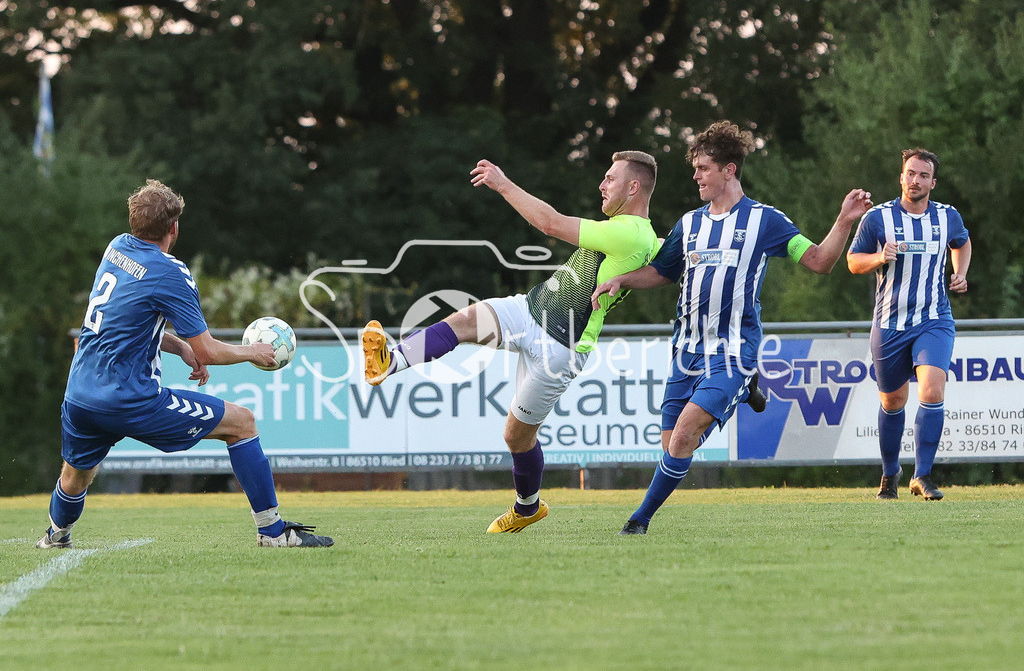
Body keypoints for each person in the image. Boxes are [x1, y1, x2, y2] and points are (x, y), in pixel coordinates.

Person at [591, 121, 874, 535]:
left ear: (729, 171)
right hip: (685, 351)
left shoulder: (766, 221)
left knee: (684, 435)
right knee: (673, 445)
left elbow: (818, 261)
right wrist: (622, 279)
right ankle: (740, 395)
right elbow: (661, 271)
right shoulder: (689, 224)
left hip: (732, 351)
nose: (695, 176)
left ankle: (638, 521)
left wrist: (844, 221)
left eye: (703, 168)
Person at [361, 152, 663, 533]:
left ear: (634, 187)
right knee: (465, 320)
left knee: (516, 435)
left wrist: (502, 183)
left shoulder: (630, 232)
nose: (602, 185)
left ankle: (527, 507)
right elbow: (665, 261)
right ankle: (390, 361)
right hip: (529, 310)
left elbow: (550, 223)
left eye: (610, 178)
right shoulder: (642, 235)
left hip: (561, 348)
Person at [37, 180, 333, 549]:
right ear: (173, 228)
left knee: (76, 474)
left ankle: (55, 535)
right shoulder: (170, 272)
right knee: (242, 423)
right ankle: (273, 533)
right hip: (130, 399)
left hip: (80, 394)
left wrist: (179, 347)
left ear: (133, 221)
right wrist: (253, 351)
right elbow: (208, 350)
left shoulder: (116, 249)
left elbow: (125, 325)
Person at [847, 149, 971, 501]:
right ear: (901, 177)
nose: (915, 180)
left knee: (932, 391)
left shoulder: (947, 216)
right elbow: (853, 262)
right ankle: (890, 474)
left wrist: (959, 273)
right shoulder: (878, 218)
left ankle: (924, 475)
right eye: (909, 173)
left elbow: (961, 242)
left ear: (933, 182)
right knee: (893, 399)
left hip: (934, 319)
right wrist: (877, 258)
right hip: (889, 323)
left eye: (922, 175)